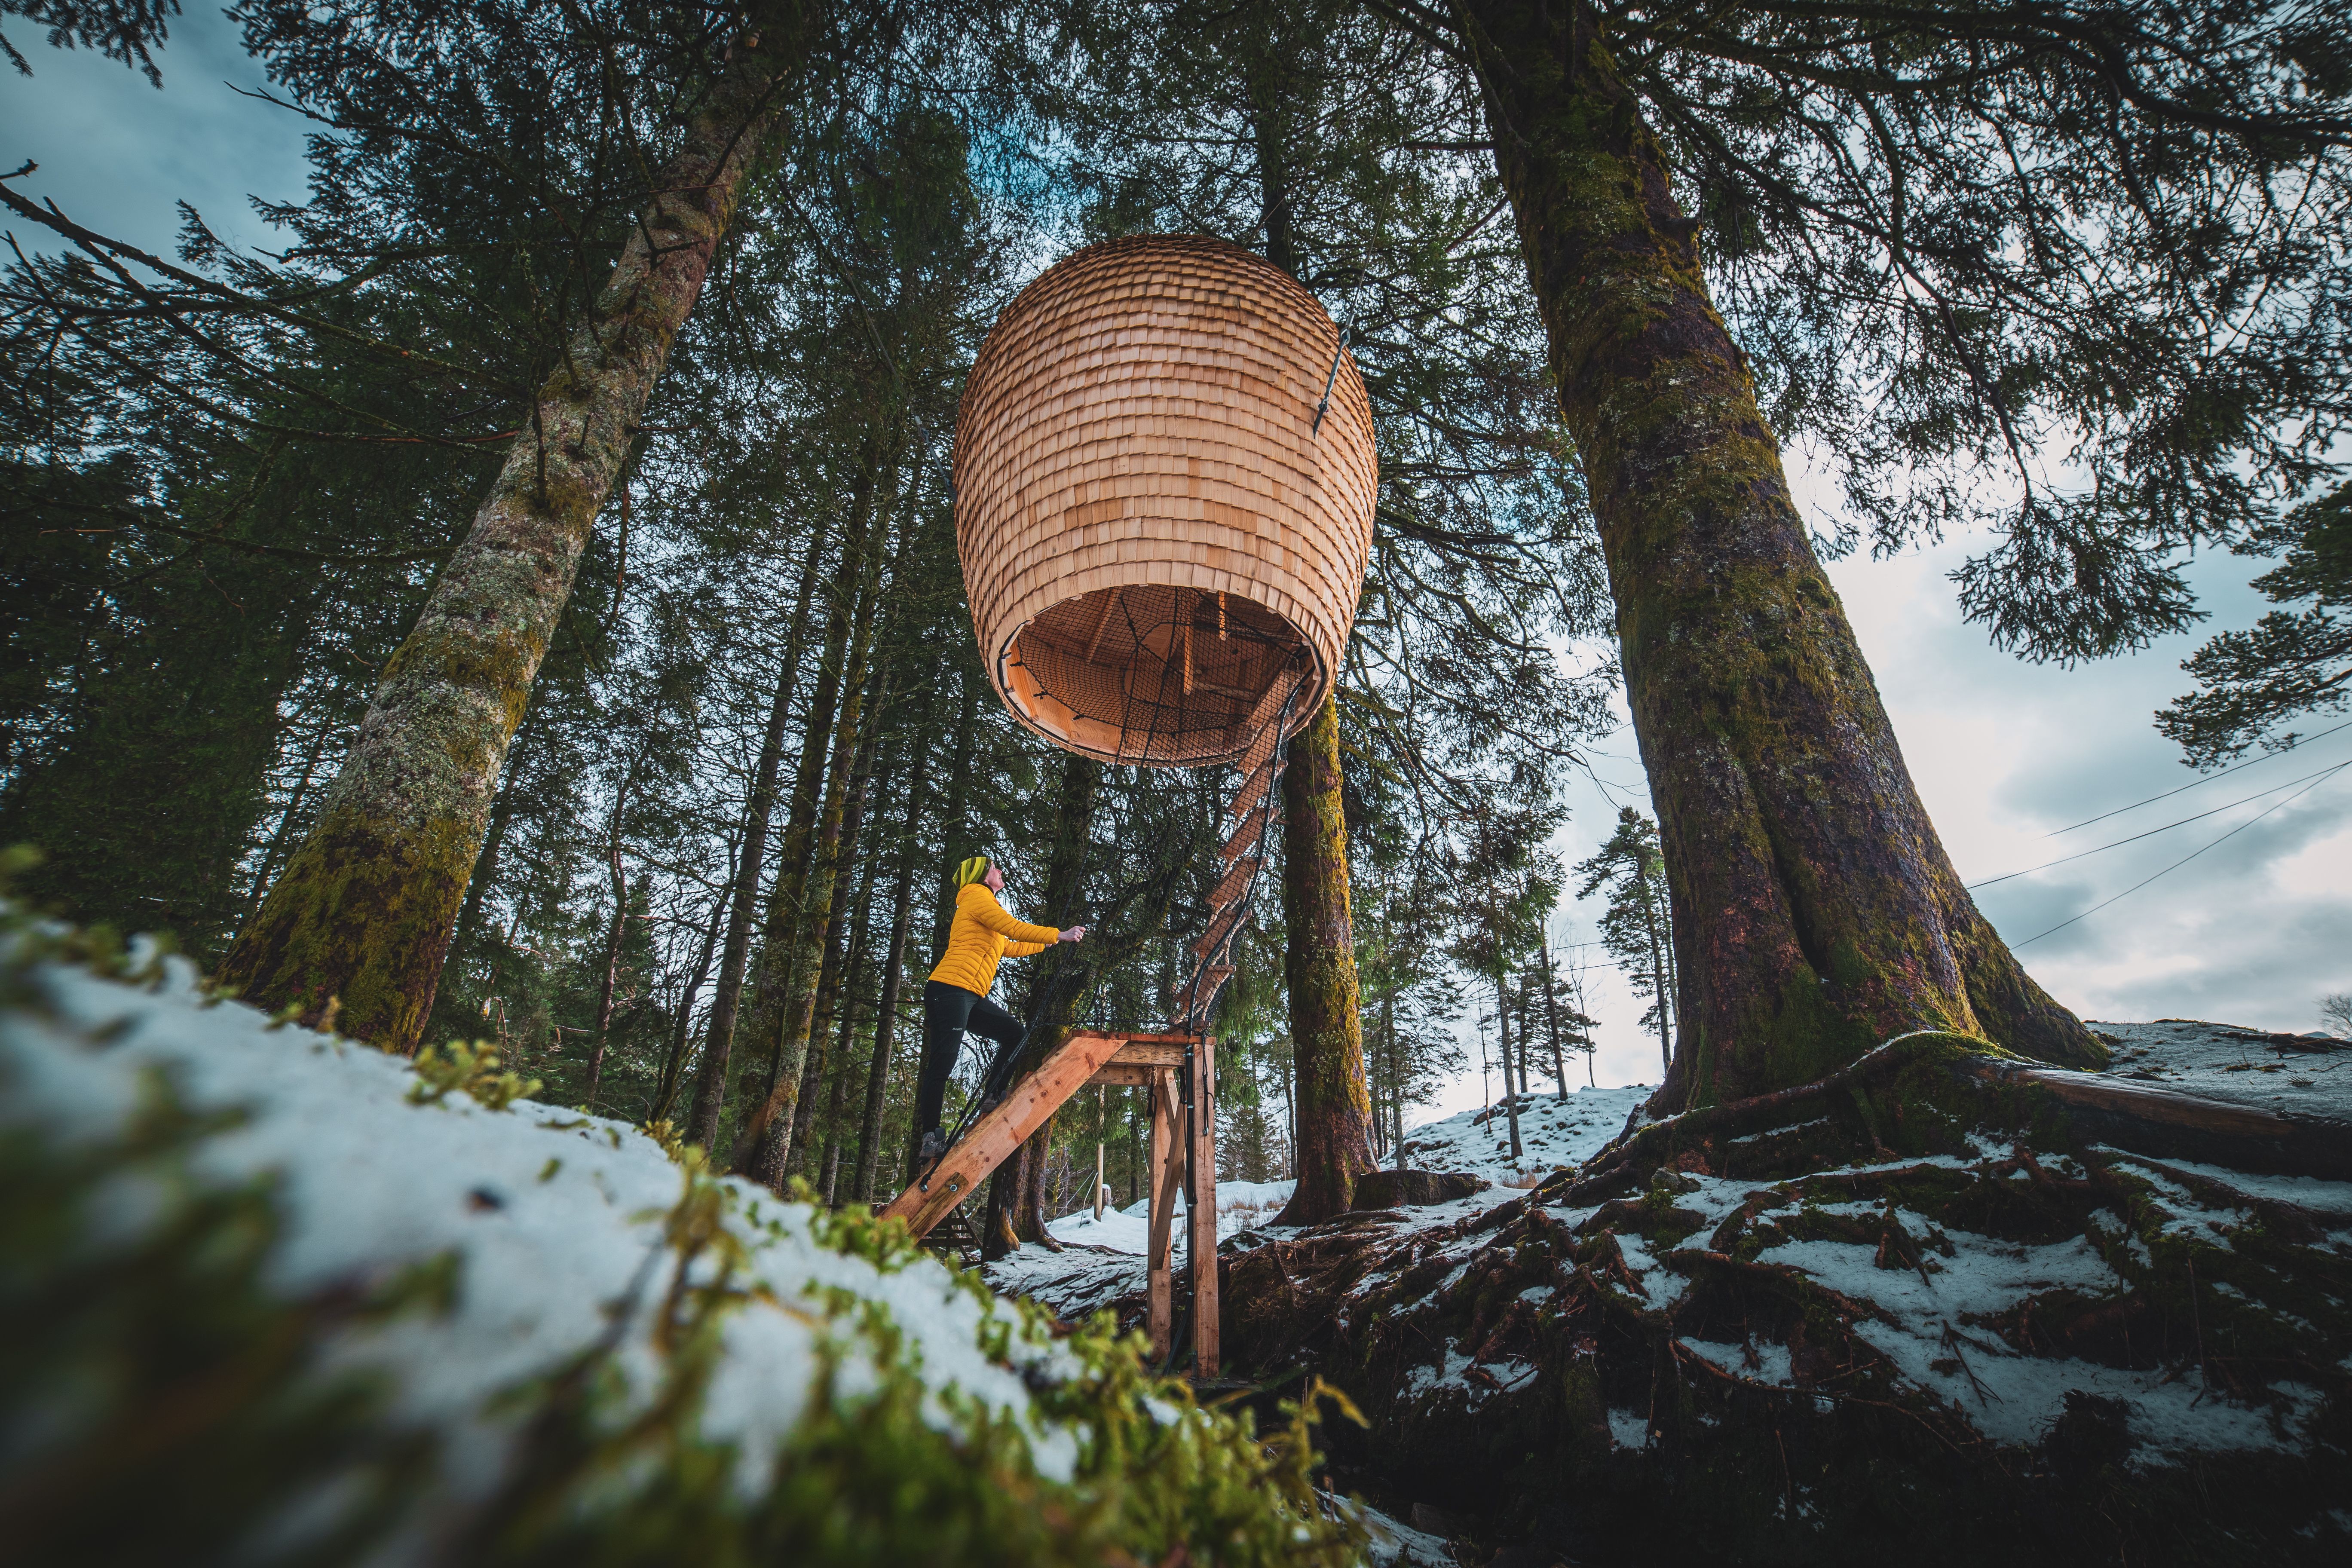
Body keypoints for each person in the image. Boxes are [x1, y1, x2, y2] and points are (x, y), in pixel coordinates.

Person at [913, 855, 1085, 1161]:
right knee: (943, 1063)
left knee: (1014, 1034)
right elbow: (1013, 927)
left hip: (970, 994)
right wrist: (1057, 933)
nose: (1000, 871)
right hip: (950, 990)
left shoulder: (984, 908)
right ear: (982, 876)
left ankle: (992, 1096)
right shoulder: (977, 898)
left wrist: (1046, 943)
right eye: (995, 868)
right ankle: (930, 1137)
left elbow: (1009, 945)